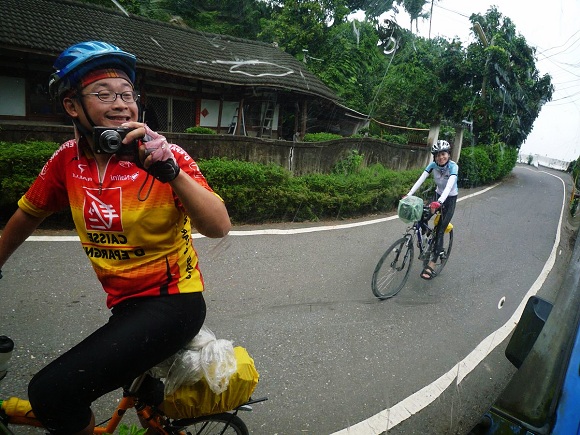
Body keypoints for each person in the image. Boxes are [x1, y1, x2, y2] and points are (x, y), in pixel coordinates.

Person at [0, 41, 231, 434]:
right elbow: (26, 215)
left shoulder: (163, 154)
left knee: (52, 394)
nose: (121, 104)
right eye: (104, 94)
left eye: (127, 95)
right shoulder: (65, 163)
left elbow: (218, 226)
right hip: (125, 306)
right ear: (73, 106)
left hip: (173, 304)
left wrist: (171, 171)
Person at [405, 139, 458, 280]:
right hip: (438, 195)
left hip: (449, 199)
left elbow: (449, 186)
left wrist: (440, 202)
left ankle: (433, 263)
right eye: (438, 155)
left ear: (448, 154)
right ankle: (426, 237)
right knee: (422, 215)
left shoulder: (453, 167)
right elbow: (421, 179)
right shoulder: (433, 165)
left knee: (440, 231)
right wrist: (409, 194)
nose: (441, 157)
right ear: (434, 157)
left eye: (444, 154)